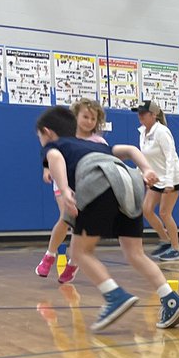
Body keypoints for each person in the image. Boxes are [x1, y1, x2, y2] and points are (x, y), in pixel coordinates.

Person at [36, 106, 179, 332]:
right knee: (135, 253)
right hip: (130, 185)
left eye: (39, 136)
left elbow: (55, 157)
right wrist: (146, 169)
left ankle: (114, 295)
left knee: (79, 252)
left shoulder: (55, 145)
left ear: (47, 132)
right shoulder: (97, 144)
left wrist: (65, 188)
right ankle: (170, 299)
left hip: (100, 186)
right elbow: (129, 149)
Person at [36, 98, 109, 284]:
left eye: (93, 119)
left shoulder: (98, 141)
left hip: (87, 188)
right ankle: (49, 255)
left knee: (81, 226)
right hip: (64, 185)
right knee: (66, 217)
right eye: (85, 116)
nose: (89, 121)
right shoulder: (64, 138)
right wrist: (46, 169)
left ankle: (73, 263)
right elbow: (51, 155)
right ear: (75, 116)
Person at [134, 100, 179, 263]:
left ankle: (177, 249)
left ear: (153, 115)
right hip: (156, 178)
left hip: (172, 177)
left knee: (165, 213)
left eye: (143, 113)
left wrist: (169, 182)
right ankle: (165, 241)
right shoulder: (143, 132)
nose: (140, 116)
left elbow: (170, 157)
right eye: (139, 113)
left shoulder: (162, 132)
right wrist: (140, 175)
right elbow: (144, 157)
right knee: (147, 209)